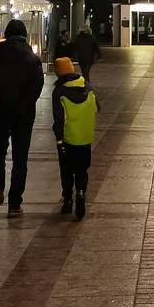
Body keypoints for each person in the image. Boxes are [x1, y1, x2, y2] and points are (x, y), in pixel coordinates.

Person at [0, 19, 44, 217]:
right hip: (22, 117)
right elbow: (35, 89)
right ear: (24, 35)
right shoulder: (32, 59)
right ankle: (15, 204)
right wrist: (21, 108)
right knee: (20, 158)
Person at [51, 57, 99, 219]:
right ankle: (81, 192)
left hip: (67, 138)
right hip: (85, 137)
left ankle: (68, 200)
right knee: (81, 169)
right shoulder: (88, 87)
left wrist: (58, 139)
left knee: (66, 170)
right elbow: (96, 108)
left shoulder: (59, 92)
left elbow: (58, 120)